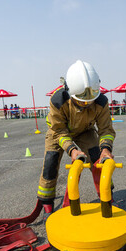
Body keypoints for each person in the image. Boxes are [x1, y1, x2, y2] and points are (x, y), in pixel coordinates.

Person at [37, 60, 115, 219]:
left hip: (85, 131)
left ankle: (106, 196)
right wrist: (72, 150)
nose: (86, 102)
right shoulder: (58, 101)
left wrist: (106, 149)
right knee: (50, 163)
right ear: (69, 90)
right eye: (81, 98)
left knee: (97, 157)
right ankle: (47, 205)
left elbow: (106, 130)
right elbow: (58, 130)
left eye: (90, 98)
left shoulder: (101, 102)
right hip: (58, 132)